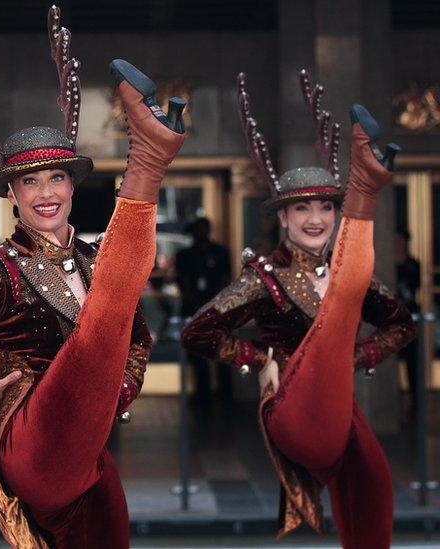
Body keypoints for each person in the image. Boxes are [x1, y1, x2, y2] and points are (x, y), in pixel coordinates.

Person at [0, 8, 185, 547]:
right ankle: (146, 160)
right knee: (103, 318)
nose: (46, 192)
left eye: (56, 178)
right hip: (32, 435)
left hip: (88, 443)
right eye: (30, 182)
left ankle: (147, 158)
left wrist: (121, 389)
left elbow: (139, 339)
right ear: (14, 195)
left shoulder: (98, 260)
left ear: (72, 188)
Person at [182, 71, 414, 548]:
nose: (314, 219)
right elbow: (197, 331)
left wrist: (357, 358)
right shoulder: (265, 278)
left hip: (339, 404)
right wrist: (260, 359)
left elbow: (402, 325)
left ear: (334, 216)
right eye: (302, 210)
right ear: (283, 219)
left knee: (373, 490)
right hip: (292, 405)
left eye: (326, 209)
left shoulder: (351, 277)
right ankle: (365, 185)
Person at [175, 217, 233, 404]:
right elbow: (183, 283)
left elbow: (225, 280)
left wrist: (215, 305)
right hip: (194, 310)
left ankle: (225, 395)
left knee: (221, 352)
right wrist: (197, 305)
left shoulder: (220, 252)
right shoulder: (184, 255)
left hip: (217, 310)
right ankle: (203, 395)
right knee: (198, 356)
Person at [395, 228, 421, 416]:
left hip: (409, 316)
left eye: (401, 240)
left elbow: (414, 288)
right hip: (391, 318)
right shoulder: (387, 263)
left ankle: (414, 400)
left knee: (412, 360)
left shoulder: (412, 264)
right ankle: (397, 399)